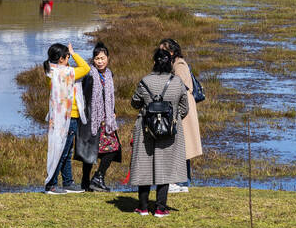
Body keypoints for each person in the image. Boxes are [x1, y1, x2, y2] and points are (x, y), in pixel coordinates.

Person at [129, 48, 189, 217]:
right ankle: (161, 208)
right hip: (169, 131)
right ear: (170, 63)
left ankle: (143, 207)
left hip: (146, 129)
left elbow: (134, 103)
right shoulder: (177, 82)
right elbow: (185, 108)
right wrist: (172, 118)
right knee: (166, 168)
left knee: (144, 167)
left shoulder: (145, 81)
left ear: (154, 62)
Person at [43, 42, 91, 194]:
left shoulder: (52, 71)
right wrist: (74, 53)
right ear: (62, 59)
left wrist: (68, 54)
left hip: (61, 117)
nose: (69, 58)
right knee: (63, 151)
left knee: (64, 150)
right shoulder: (66, 72)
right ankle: (51, 184)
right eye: (67, 56)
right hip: (68, 117)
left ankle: (68, 182)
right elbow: (86, 68)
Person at [74, 42, 121, 192]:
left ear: (108, 58)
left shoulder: (109, 74)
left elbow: (109, 96)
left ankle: (98, 177)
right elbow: (84, 96)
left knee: (113, 148)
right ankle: (85, 182)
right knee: (89, 150)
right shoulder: (89, 75)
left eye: (102, 58)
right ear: (93, 60)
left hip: (106, 119)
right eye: (97, 58)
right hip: (91, 118)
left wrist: (113, 111)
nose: (99, 61)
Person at [159, 38, 202, 192]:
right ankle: (183, 182)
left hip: (184, 111)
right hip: (183, 109)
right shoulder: (176, 64)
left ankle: (181, 183)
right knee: (184, 147)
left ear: (171, 51)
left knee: (182, 147)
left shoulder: (179, 65)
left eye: (164, 50)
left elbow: (180, 87)